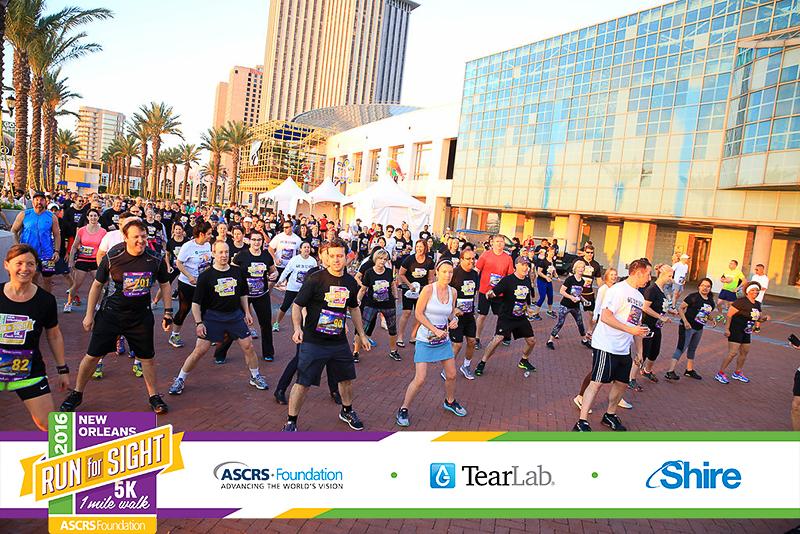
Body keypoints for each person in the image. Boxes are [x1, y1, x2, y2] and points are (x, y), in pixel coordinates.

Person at [60, 219, 172, 414]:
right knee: (92, 356)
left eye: (143, 236)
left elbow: (165, 285)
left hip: (140, 318)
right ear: (125, 237)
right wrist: (89, 315)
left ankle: (154, 397)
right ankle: (76, 393)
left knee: (148, 358)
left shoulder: (155, 259)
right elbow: (97, 285)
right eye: (136, 237)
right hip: (110, 315)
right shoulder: (113, 257)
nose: (141, 240)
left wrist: (168, 312)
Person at [282, 238, 371, 431]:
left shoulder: (350, 282)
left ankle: (347, 411)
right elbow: (297, 305)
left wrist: (362, 335)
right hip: (314, 341)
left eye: (340, 256)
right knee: (303, 382)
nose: (336, 260)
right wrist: (297, 328)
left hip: (338, 341)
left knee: (346, 379)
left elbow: (354, 309)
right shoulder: (315, 279)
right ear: (327, 258)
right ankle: (291, 421)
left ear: (347, 258)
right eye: (333, 256)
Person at [168, 240, 268, 395]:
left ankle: (255, 376)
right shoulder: (206, 276)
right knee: (200, 350)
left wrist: (247, 313)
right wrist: (199, 323)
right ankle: (180, 379)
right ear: (213, 254)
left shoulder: (237, 272)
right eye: (220, 252)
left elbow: (243, 294)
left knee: (249, 346)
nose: (224, 255)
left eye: (226, 252)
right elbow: (196, 303)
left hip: (235, 316)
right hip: (213, 317)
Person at [573, 258, 652, 432]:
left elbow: (636, 325)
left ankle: (610, 415)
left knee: (622, 383)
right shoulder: (618, 290)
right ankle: (582, 421)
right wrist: (629, 329)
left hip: (623, 349)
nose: (649, 278)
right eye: (648, 274)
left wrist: (640, 351)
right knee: (597, 382)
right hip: (606, 345)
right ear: (638, 273)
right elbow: (606, 317)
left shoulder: (639, 297)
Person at [0, 244, 68, 430]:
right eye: (19, 263)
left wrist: (62, 369)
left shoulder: (45, 300)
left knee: (48, 423)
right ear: (7, 265)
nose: (25, 269)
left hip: (27, 368)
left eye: (30, 264)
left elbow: (54, 336)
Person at [395, 259, 466, 427]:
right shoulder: (428, 290)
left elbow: (450, 312)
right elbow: (418, 314)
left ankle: (450, 401)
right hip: (425, 339)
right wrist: (434, 329)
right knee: (420, 379)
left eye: (450, 272)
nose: (447, 275)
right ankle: (403, 408)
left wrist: (454, 320)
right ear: (437, 272)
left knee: (452, 375)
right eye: (444, 272)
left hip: (442, 339)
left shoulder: (453, 292)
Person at [273, 242, 342, 406]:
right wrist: (302, 324)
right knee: (301, 358)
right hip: (311, 323)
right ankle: (281, 389)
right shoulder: (312, 274)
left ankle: (334, 390)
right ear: (321, 255)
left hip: (331, 323)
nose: (331, 258)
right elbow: (301, 301)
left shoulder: (339, 274)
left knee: (332, 358)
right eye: (327, 254)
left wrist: (342, 321)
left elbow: (338, 302)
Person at [213, 231, 279, 363]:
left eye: (259, 240)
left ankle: (268, 353)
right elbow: (231, 270)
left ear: (262, 242)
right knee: (234, 322)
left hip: (261, 295)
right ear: (249, 241)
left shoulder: (266, 256)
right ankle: (220, 353)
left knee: (266, 324)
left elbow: (273, 270)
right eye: (254, 240)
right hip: (244, 295)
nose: (256, 242)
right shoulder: (242, 255)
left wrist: (274, 274)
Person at [574, 268, 633, 412]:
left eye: (615, 275)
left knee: (617, 370)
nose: (613, 277)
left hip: (617, 336)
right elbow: (599, 304)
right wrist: (595, 317)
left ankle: (618, 396)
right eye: (611, 275)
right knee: (596, 371)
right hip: (604, 330)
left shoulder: (619, 290)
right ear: (606, 276)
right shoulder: (604, 289)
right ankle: (580, 396)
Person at [474, 256, 538, 376]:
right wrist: (490, 293)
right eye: (522, 265)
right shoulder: (508, 280)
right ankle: (482, 362)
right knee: (498, 339)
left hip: (520, 317)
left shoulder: (526, 281)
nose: (525, 268)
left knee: (532, 341)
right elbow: (495, 291)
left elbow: (523, 299)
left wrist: (527, 309)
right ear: (516, 266)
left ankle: (524, 360)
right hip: (507, 316)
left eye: (527, 265)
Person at [715, 281, 770, 384]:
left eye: (757, 291)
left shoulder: (757, 304)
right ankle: (720, 373)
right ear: (748, 291)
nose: (755, 292)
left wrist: (764, 319)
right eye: (753, 290)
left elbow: (759, 318)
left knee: (744, 351)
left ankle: (737, 372)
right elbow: (730, 314)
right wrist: (727, 329)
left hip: (747, 330)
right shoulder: (741, 301)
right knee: (733, 352)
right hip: (736, 328)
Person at [169, 221, 213, 348]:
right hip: (187, 283)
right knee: (184, 309)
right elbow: (179, 263)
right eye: (209, 233)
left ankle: (205, 334)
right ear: (201, 234)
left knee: (205, 309)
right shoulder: (188, 246)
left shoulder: (208, 245)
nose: (211, 236)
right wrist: (189, 276)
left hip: (202, 284)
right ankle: (174, 335)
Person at [354, 249, 400, 362]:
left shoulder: (389, 272)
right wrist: (358, 299)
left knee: (392, 329)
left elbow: (393, 285)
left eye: (385, 259)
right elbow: (363, 289)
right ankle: (355, 352)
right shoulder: (369, 272)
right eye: (380, 258)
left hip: (388, 304)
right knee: (362, 327)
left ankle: (393, 351)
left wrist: (396, 298)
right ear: (375, 259)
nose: (382, 261)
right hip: (372, 304)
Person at [665, 278, 716, 381]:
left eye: (708, 286)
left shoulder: (710, 300)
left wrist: (711, 319)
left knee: (693, 348)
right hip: (687, 326)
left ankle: (689, 370)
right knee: (681, 347)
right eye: (703, 285)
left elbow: (705, 312)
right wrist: (685, 322)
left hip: (699, 327)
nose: (705, 288)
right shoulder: (693, 297)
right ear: (699, 286)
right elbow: (681, 308)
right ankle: (670, 371)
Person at [11, 191, 60, 294]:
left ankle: (46, 299)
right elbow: (14, 230)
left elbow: (57, 235)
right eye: (37, 200)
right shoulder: (24, 214)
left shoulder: (51, 217)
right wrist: (17, 246)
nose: (39, 202)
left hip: (47, 253)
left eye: (41, 200)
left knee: (48, 278)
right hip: (28, 253)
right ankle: (32, 297)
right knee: (32, 276)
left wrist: (57, 251)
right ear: (33, 202)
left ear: (45, 202)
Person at [474, 234, 514, 349]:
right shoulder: (485, 255)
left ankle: (500, 335)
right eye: (497, 241)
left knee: (501, 316)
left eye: (501, 241)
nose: (499, 243)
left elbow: (510, 276)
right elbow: (476, 271)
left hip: (499, 293)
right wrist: (473, 286)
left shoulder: (508, 258)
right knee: (482, 316)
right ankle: (476, 338)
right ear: (492, 243)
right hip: (485, 291)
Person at [638, 264, 674, 383]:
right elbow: (645, 307)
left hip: (657, 326)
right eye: (669, 276)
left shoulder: (662, 290)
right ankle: (631, 377)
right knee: (643, 352)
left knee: (655, 351)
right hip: (648, 325)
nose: (671, 279)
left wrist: (669, 311)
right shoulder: (652, 289)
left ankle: (647, 371)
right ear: (662, 275)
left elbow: (660, 305)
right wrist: (660, 317)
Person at [546, 260, 593, 351]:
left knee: (580, 323)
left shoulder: (582, 281)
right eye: (579, 267)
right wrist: (571, 297)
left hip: (575, 306)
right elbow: (561, 291)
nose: (581, 269)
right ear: (575, 269)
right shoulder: (570, 279)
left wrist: (585, 301)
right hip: (565, 305)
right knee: (560, 322)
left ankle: (584, 340)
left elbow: (578, 295)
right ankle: (550, 340)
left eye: (582, 267)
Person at [66, 208, 106, 313]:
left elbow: (105, 247)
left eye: (95, 216)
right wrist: (71, 260)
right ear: (87, 217)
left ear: (98, 217)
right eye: (91, 216)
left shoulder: (103, 232)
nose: (93, 218)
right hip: (83, 259)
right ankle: (69, 303)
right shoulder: (82, 230)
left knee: (99, 284)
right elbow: (74, 246)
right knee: (77, 284)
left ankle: (98, 304)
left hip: (96, 260)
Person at [396, 240, 435, 347]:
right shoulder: (409, 259)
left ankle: (413, 336)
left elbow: (430, 278)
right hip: (409, 289)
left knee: (418, 313)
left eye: (421, 247)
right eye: (417, 246)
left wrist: (429, 290)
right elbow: (401, 274)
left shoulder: (429, 261)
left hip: (422, 290)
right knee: (407, 312)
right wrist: (409, 285)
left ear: (425, 248)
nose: (419, 249)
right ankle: (400, 337)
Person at [448, 249, 480, 379]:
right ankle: (448, 369)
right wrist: (453, 308)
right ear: (461, 260)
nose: (471, 261)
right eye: (468, 259)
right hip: (455, 316)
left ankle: (466, 366)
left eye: (473, 258)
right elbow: (445, 292)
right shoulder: (454, 273)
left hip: (469, 314)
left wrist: (473, 311)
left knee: (472, 341)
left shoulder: (474, 274)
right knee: (458, 344)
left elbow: (473, 294)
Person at [273, 242, 318, 332]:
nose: (306, 249)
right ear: (300, 249)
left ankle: (305, 326)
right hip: (293, 287)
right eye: (304, 247)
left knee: (305, 307)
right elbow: (286, 271)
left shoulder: (313, 261)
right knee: (285, 306)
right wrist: (280, 281)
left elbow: (315, 275)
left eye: (308, 247)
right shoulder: (295, 259)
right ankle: (276, 323)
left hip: (305, 289)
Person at [574, 244, 603, 329]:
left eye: (591, 253)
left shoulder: (596, 264)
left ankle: (590, 330)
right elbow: (571, 274)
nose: (590, 254)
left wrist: (604, 288)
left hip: (588, 293)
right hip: (577, 291)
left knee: (592, 312)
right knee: (567, 311)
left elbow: (599, 279)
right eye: (588, 252)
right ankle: (555, 332)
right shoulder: (578, 261)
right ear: (584, 252)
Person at [530, 246, 558, 320]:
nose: (552, 253)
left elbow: (554, 270)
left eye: (553, 252)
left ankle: (550, 311)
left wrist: (556, 275)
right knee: (542, 297)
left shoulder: (553, 261)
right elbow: (539, 272)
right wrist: (546, 277)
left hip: (549, 282)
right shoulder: (543, 262)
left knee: (550, 296)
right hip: (542, 281)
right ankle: (536, 313)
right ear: (547, 252)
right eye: (551, 252)